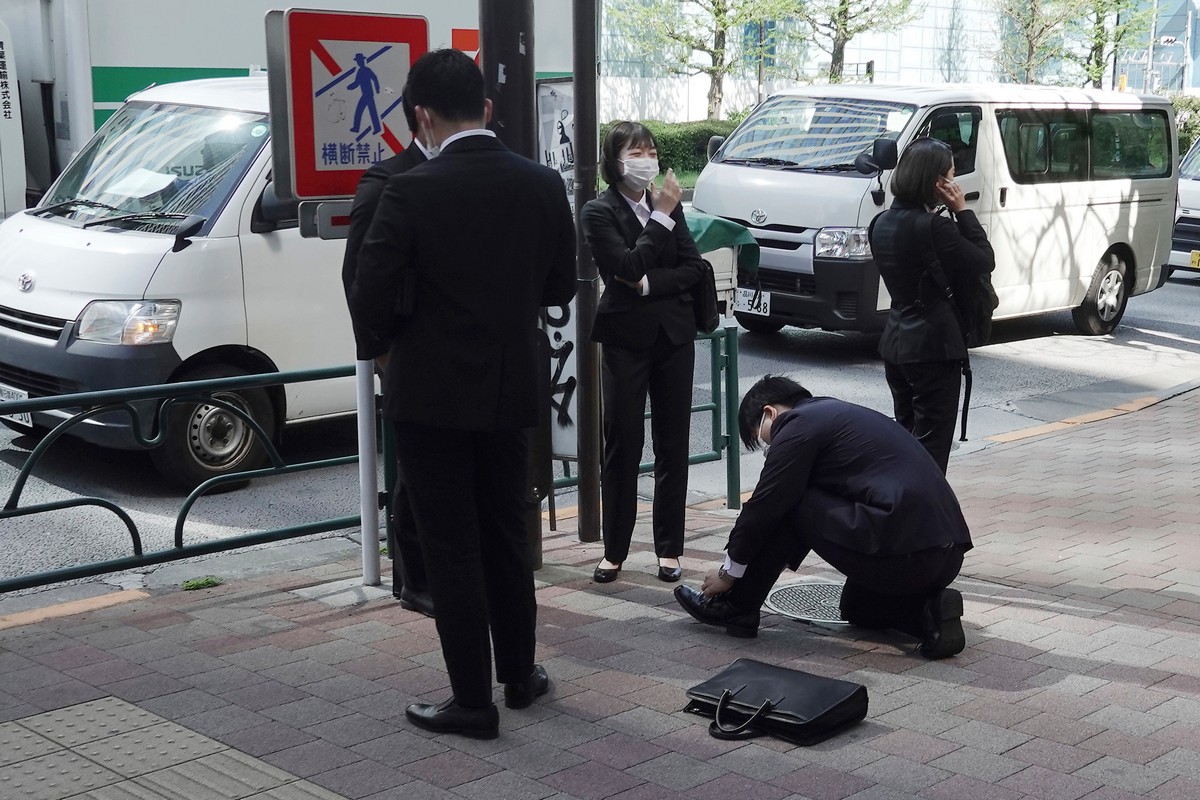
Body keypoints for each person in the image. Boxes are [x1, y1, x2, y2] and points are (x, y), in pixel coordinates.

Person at [348, 49, 576, 740]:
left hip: (429, 395)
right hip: (510, 385)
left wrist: (395, 348)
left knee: (451, 545)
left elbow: (369, 296)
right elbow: (560, 288)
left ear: (421, 114)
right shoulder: (540, 184)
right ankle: (522, 677)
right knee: (508, 529)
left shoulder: (408, 191)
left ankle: (471, 700)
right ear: (484, 107)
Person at [673, 375, 973, 660]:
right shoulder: (838, 415)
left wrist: (729, 572)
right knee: (857, 608)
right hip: (944, 555)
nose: (768, 447)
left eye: (761, 439)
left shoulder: (797, 424)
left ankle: (737, 606)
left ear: (770, 413)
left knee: (790, 501)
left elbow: (764, 505)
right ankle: (930, 616)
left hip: (903, 550)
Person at [581, 121, 708, 585]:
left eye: (651, 150)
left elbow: (693, 267)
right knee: (623, 443)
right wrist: (661, 220)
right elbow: (624, 265)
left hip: (673, 337)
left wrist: (651, 283)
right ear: (615, 161)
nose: (647, 158)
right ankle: (614, 550)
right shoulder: (599, 212)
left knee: (672, 444)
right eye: (637, 151)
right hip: (625, 341)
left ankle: (669, 551)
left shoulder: (665, 205)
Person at [340, 88, 434, 619]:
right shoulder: (387, 181)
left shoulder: (469, 177)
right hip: (406, 352)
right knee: (414, 476)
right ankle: (414, 578)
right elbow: (357, 277)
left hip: (459, 359)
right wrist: (379, 355)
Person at [869, 137, 995, 474]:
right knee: (932, 449)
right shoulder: (936, 227)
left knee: (906, 441)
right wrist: (962, 211)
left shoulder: (879, 224)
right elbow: (984, 260)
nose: (955, 183)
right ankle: (923, 518)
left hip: (896, 344)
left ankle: (901, 512)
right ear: (937, 182)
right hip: (935, 348)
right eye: (951, 176)